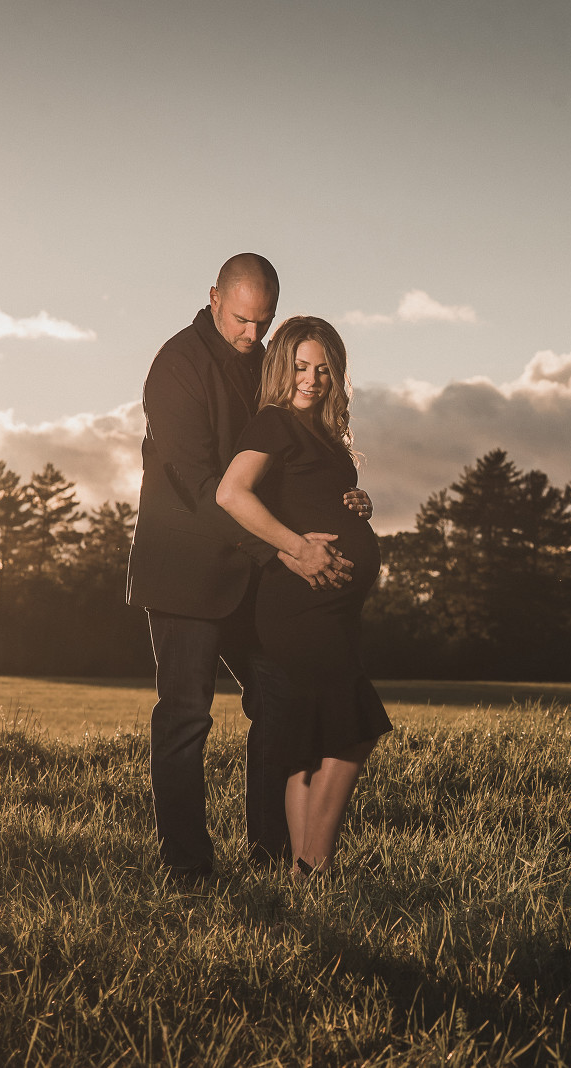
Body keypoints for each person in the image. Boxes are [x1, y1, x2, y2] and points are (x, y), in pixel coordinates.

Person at [126, 254, 373, 882]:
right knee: (187, 718)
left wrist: (340, 497)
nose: (252, 333)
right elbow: (202, 486)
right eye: (241, 319)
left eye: (263, 322)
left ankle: (269, 856)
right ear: (214, 298)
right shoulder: (177, 366)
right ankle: (187, 868)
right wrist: (286, 549)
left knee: (280, 703)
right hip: (186, 575)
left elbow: (286, 457)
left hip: (252, 578)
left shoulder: (266, 362)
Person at [216, 315, 391, 876]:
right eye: (299, 367)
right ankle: (314, 865)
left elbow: (310, 495)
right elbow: (231, 494)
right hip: (300, 606)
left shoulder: (324, 436)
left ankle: (302, 869)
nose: (311, 380)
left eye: (323, 370)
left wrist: (357, 502)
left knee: (311, 741)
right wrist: (297, 548)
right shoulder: (274, 422)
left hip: (330, 610)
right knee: (356, 727)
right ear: (280, 368)